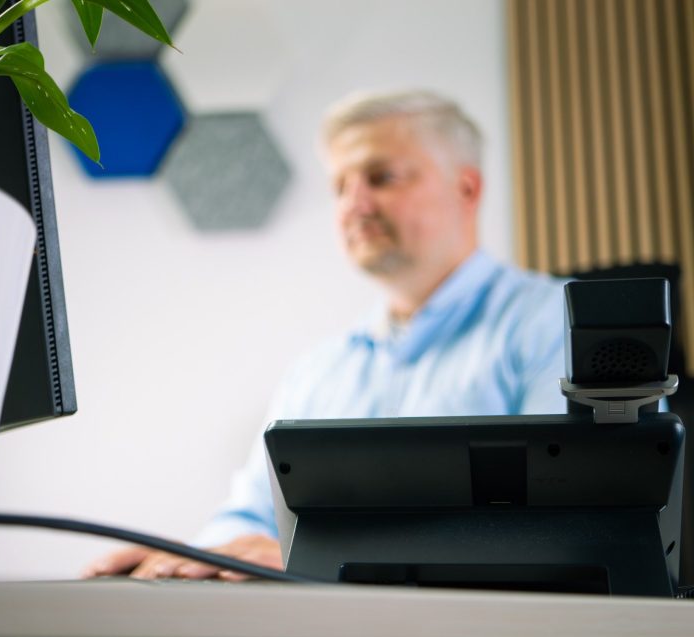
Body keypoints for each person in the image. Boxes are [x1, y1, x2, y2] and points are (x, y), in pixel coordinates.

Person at [84, 89, 567, 580]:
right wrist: (190, 557)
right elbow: (253, 516)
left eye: (382, 177)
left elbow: (571, 526)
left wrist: (326, 560)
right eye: (339, 186)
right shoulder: (318, 371)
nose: (353, 204)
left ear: (466, 188)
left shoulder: (556, 325)